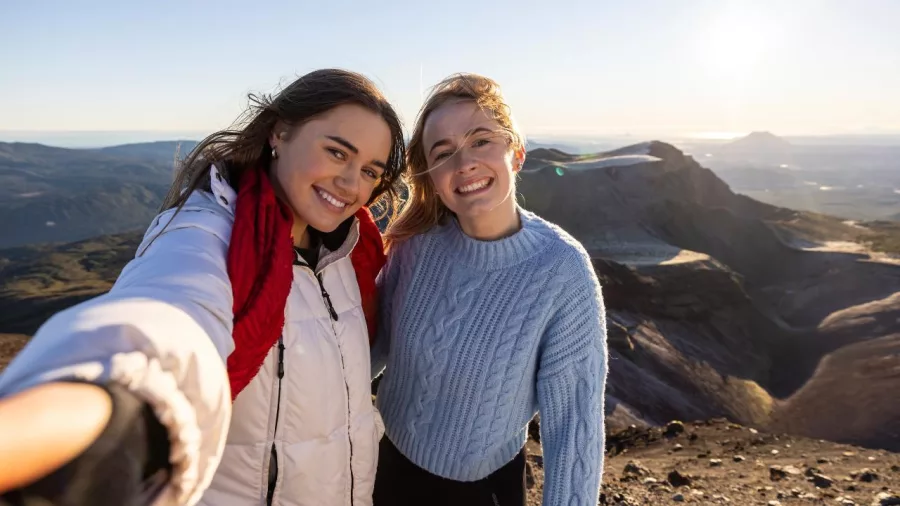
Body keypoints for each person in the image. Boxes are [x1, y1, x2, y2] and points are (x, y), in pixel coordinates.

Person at [0, 68, 406, 506]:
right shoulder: (206, 234)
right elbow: (173, 315)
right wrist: (111, 406)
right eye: (336, 152)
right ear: (280, 132)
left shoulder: (352, 253)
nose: (351, 184)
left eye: (369, 171)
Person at [370, 73, 608, 506]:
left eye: (481, 141)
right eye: (443, 153)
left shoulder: (562, 272)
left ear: (515, 153)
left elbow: (573, 426)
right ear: (433, 177)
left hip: (481, 492)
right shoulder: (415, 247)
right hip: (382, 468)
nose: (464, 165)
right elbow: (369, 347)